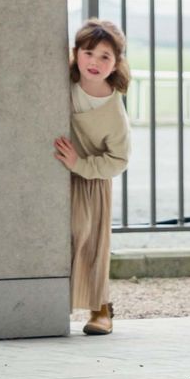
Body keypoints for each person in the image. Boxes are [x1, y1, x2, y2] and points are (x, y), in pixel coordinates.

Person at [53, 20, 132, 336]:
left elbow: (119, 159)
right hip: (58, 172)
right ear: (76, 53)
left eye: (105, 56)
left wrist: (81, 164)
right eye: (88, 53)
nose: (94, 62)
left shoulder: (113, 110)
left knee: (90, 240)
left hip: (91, 181)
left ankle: (100, 308)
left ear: (116, 63)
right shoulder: (62, 81)